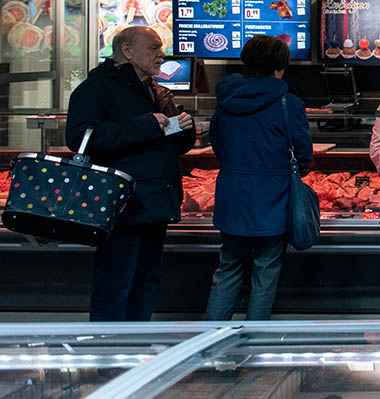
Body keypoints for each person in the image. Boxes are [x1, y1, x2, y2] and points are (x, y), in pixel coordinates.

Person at [65, 25, 197, 321]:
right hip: (120, 206)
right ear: (127, 51)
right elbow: (80, 138)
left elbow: (166, 143)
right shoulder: (96, 88)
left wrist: (183, 130)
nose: (161, 55)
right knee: (115, 283)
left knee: (146, 282)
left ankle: (138, 344)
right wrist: (146, 125)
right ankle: (108, 347)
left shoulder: (157, 90)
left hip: (155, 203)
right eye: (153, 48)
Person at [204, 34, 312, 320]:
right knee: (266, 271)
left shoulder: (226, 100)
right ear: (281, 66)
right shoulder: (288, 103)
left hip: (232, 195)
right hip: (272, 198)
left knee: (228, 269)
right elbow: (303, 154)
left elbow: (217, 144)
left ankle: (212, 339)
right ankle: (254, 339)